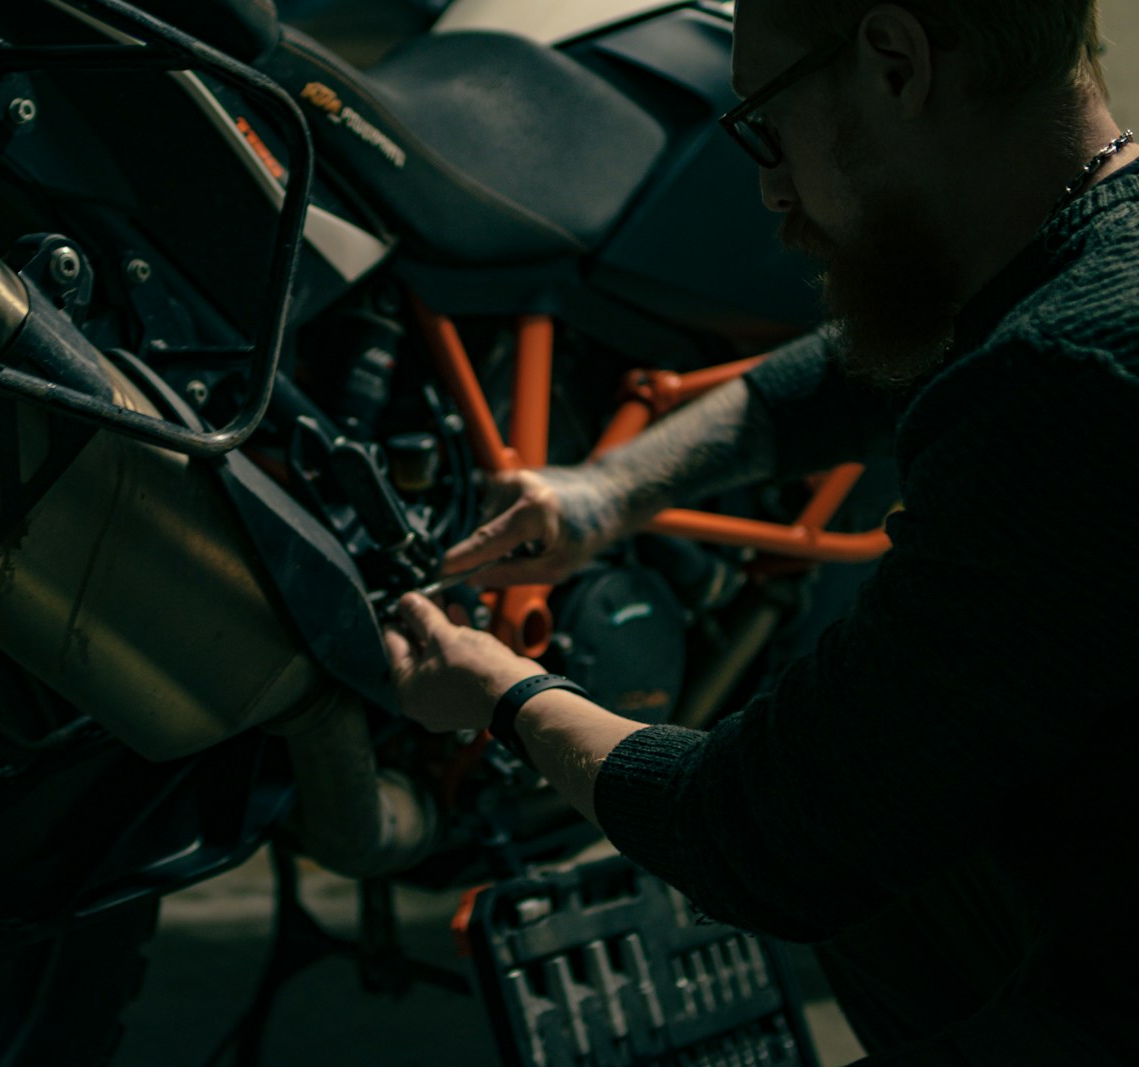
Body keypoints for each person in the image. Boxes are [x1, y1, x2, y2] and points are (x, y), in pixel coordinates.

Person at [384, 1, 1139, 1062]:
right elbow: (853, 370)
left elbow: (763, 834)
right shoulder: (1092, 267)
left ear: (891, 61)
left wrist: (502, 694)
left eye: (765, 125)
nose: (771, 195)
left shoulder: (1065, 382)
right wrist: (604, 492)